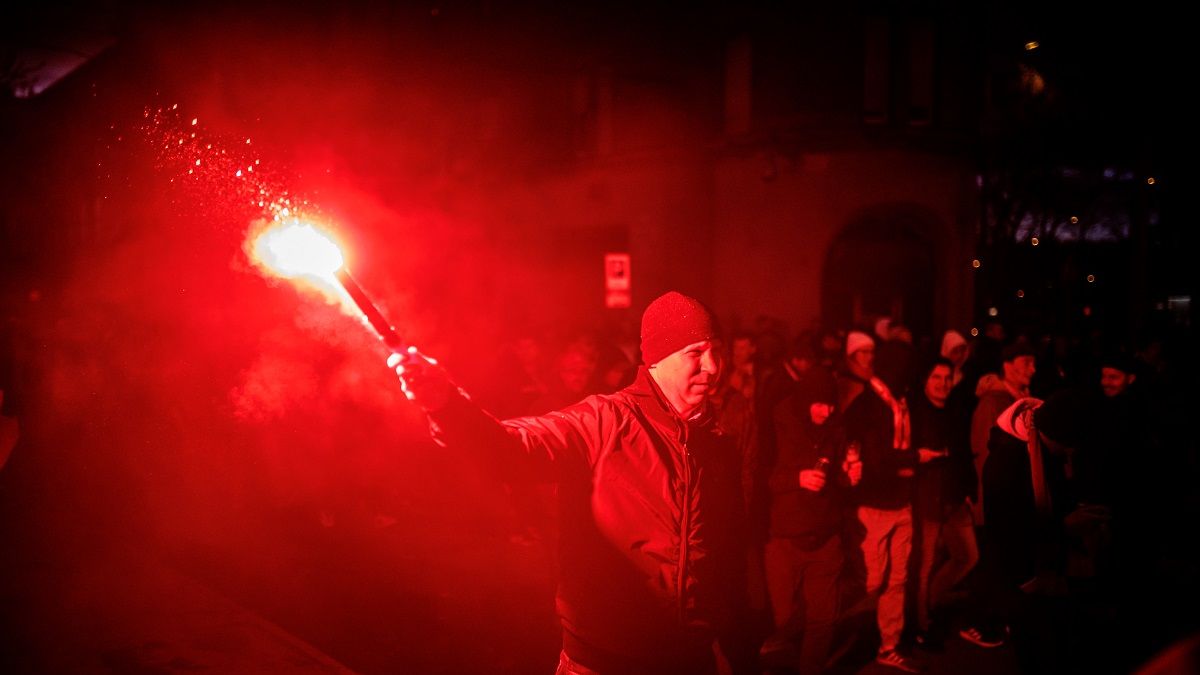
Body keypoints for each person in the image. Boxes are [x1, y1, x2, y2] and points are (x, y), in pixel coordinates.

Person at [391, 291, 754, 674]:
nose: (713, 366)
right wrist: (446, 404)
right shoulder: (604, 421)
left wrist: (737, 645)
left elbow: (728, 556)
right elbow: (511, 450)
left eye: (716, 349)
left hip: (688, 663)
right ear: (657, 360)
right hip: (601, 663)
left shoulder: (717, 444)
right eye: (694, 353)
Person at [762, 366, 861, 673]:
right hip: (785, 537)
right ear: (805, 400)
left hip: (825, 535)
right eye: (819, 404)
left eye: (831, 404)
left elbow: (838, 477)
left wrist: (849, 476)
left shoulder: (835, 426)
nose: (826, 410)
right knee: (784, 618)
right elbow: (759, 476)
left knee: (823, 620)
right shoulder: (777, 423)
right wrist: (797, 478)